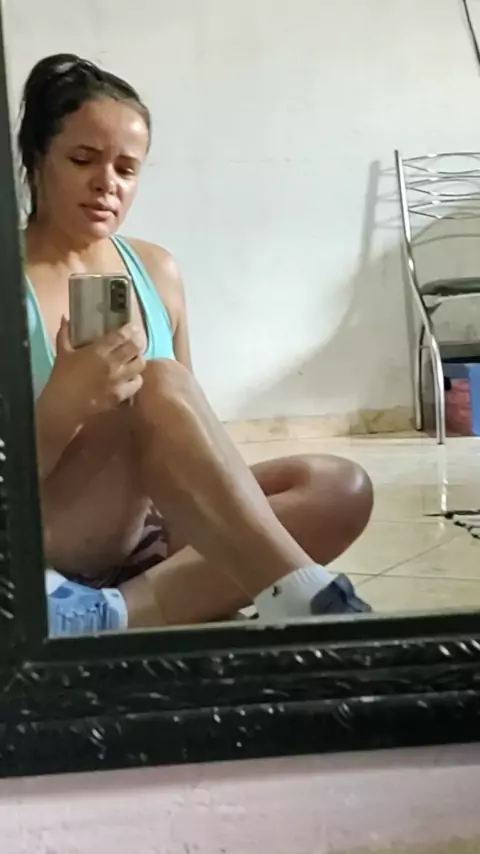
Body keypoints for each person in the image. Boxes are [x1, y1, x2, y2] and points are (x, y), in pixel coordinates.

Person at [20, 53, 373, 636]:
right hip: (53, 533)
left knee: (338, 489)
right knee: (155, 381)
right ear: (38, 161)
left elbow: (188, 423)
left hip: (148, 532)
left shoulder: (157, 271)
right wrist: (62, 407)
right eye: (83, 159)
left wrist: (206, 512)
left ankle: (106, 614)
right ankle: (306, 597)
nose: (107, 183)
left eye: (127, 169)